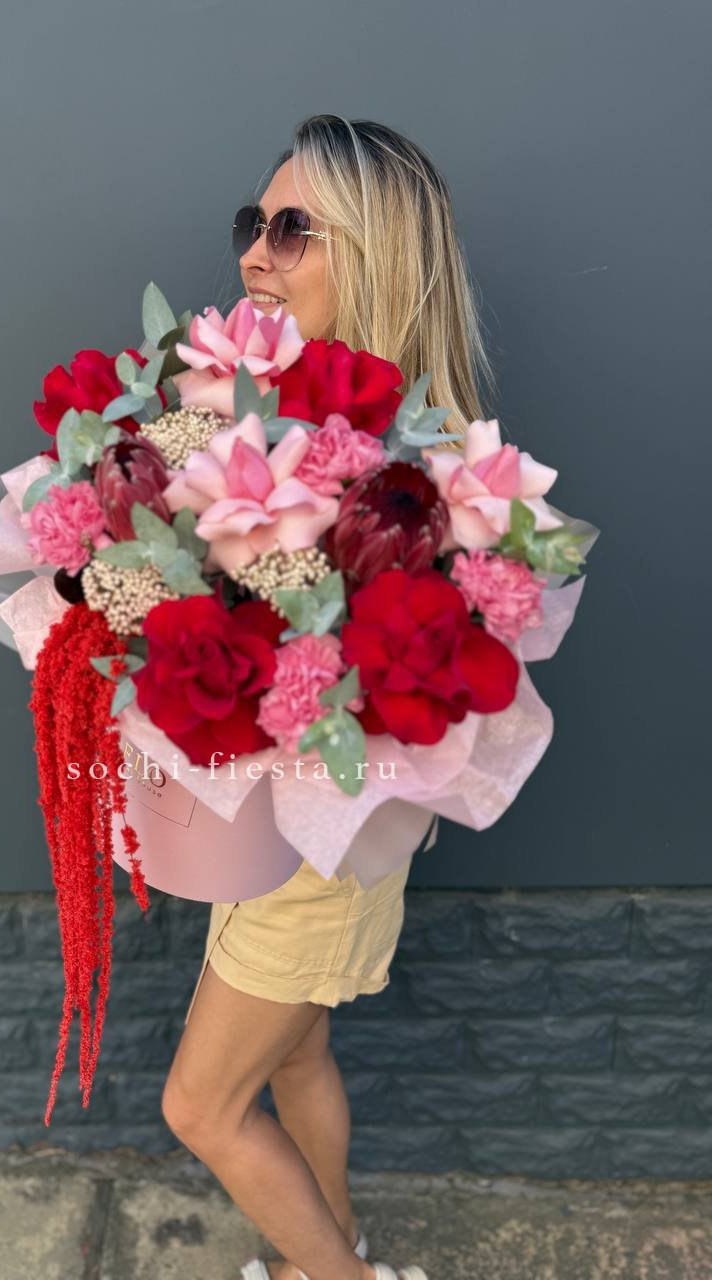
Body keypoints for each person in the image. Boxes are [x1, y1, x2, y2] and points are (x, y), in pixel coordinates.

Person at [160, 113, 496, 1280]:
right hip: (270, 832)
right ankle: (326, 1250)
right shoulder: (275, 418)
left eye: (294, 229)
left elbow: (406, 689)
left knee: (201, 1104)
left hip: (323, 849)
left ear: (379, 252)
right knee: (294, 1059)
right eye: (254, 225)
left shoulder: (412, 477)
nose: (257, 254)